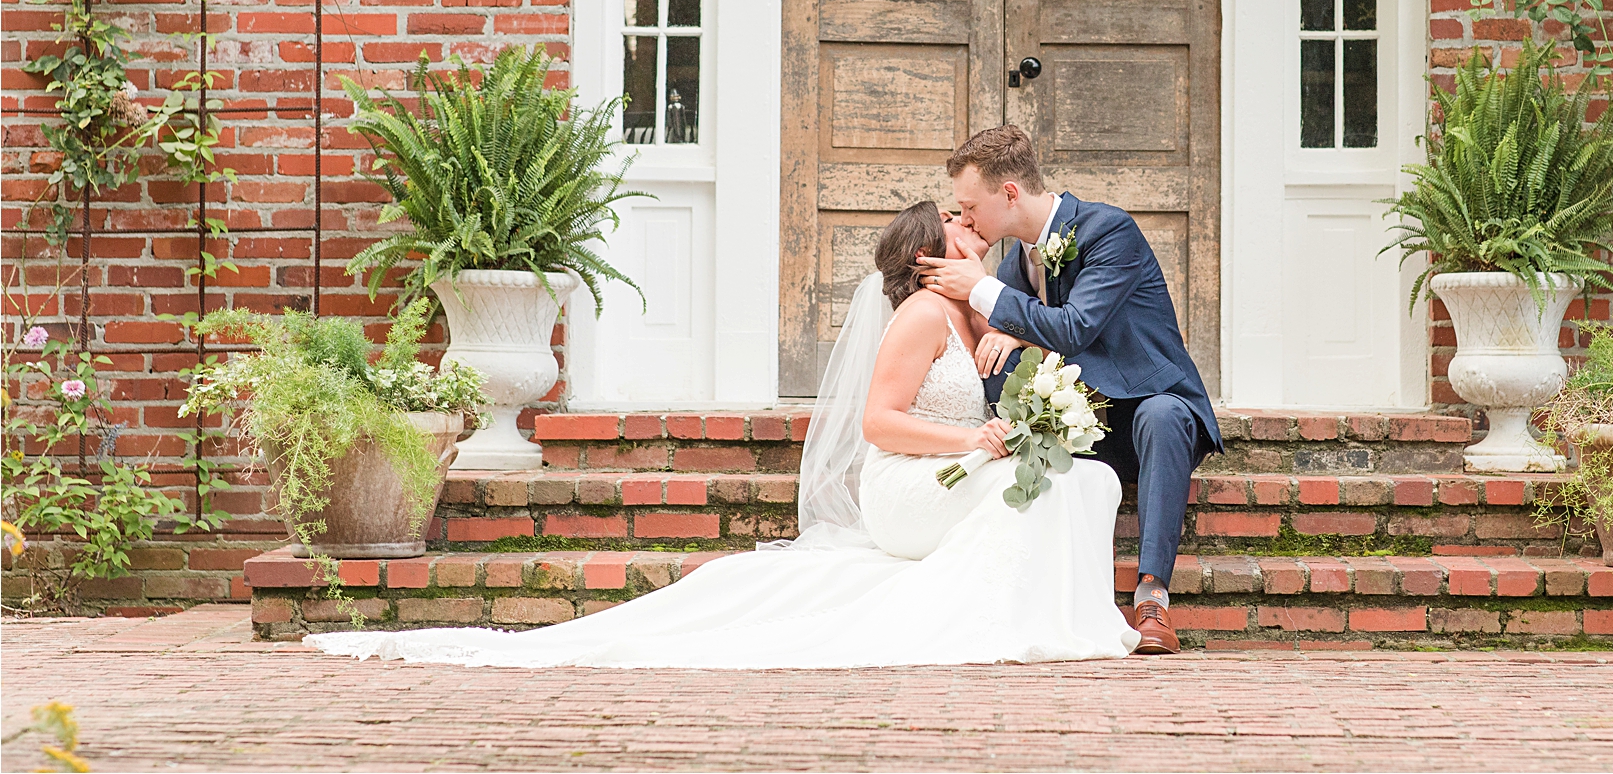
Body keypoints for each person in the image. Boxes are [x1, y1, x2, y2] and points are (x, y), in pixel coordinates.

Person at [306, 202, 1137, 669]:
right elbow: (876, 424)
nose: (977, 231)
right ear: (927, 257)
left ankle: (1054, 617)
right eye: (959, 226)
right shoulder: (923, 313)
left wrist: (1017, 344)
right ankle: (996, 620)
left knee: (1084, 478)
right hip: (908, 487)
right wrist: (974, 445)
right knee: (1030, 486)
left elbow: (1032, 344)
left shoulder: (975, 311)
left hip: (953, 470)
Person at [915, 125, 1220, 656]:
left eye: (969, 207)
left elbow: (1077, 326)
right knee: (1001, 372)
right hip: (1086, 422)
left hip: (1149, 402)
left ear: (1009, 193)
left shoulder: (1108, 230)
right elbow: (1021, 324)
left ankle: (1151, 600)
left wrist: (985, 293)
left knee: (1164, 416)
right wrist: (1003, 312)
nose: (964, 220)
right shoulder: (1017, 262)